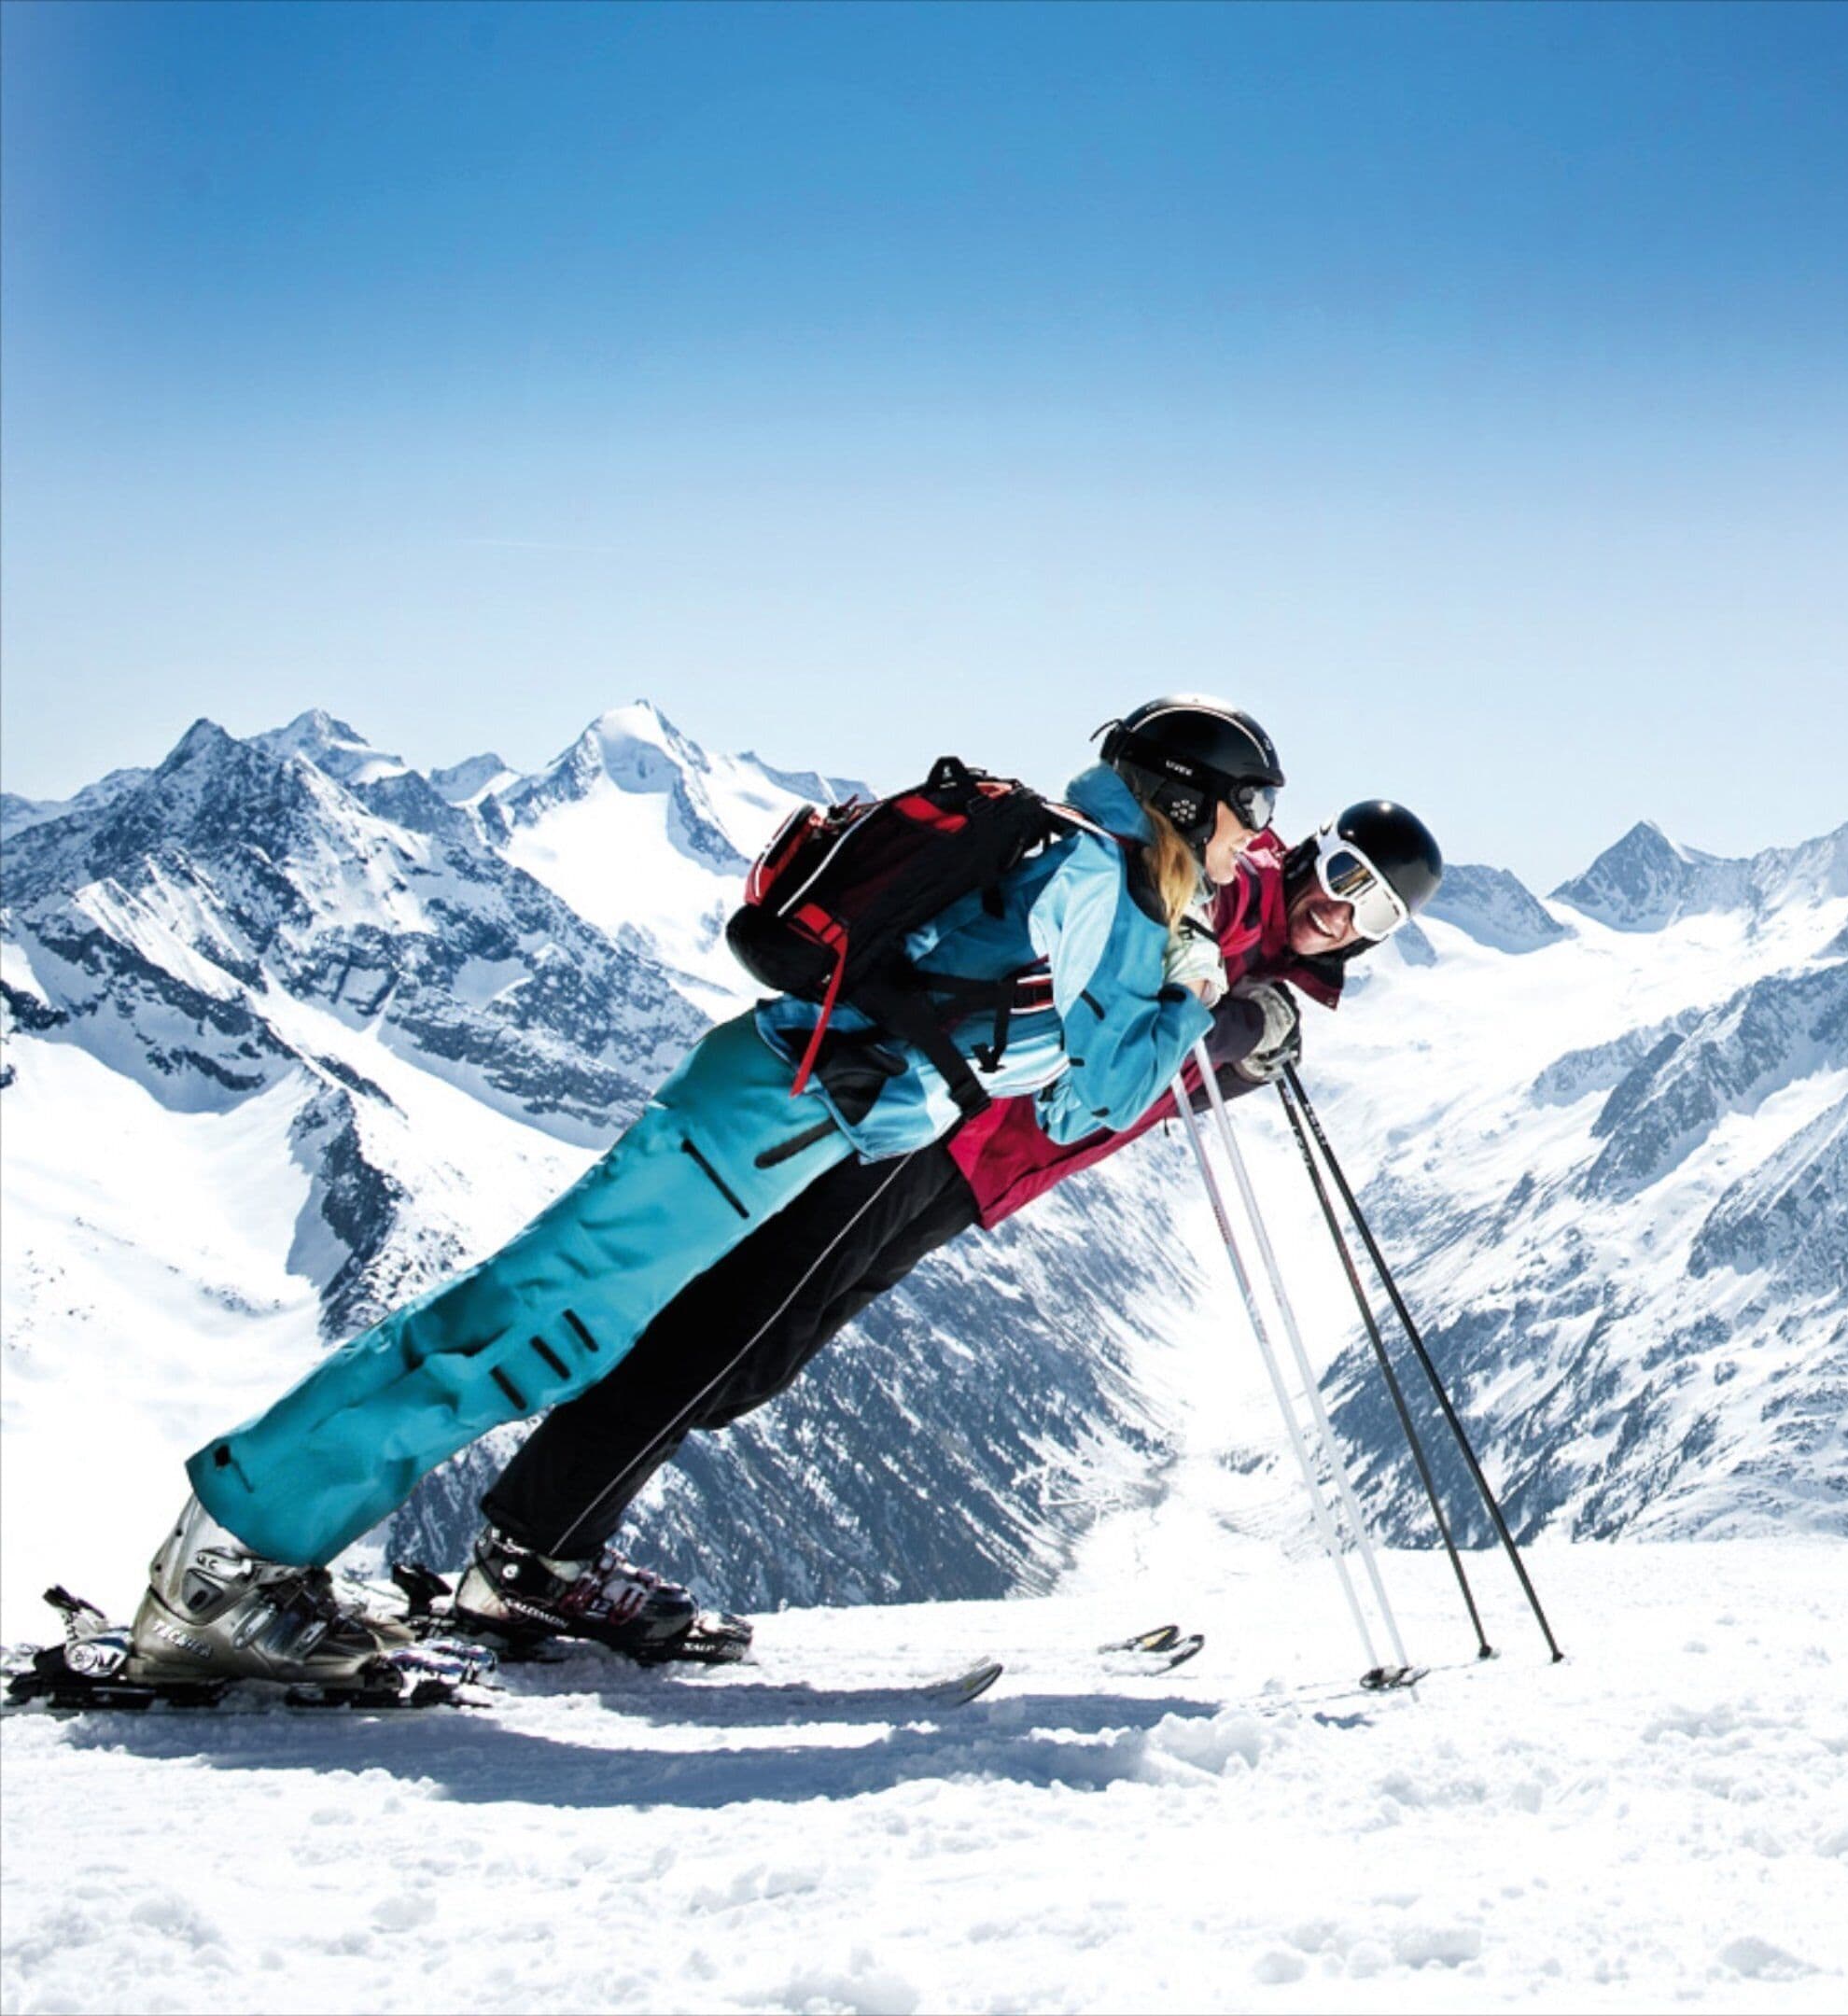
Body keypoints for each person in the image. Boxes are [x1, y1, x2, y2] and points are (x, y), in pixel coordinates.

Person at [122, 697, 1286, 1687]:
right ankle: (226, 1575)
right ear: (1188, 802)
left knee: (544, 1323)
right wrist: (1197, 1007)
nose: (1260, 835)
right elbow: (1085, 1100)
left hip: (785, 1101)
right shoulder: (1100, 884)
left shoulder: (1071, 855)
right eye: (1253, 807)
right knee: (533, 1324)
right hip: (779, 1115)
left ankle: (257, 1559)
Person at [447, 797, 1445, 1660]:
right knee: (733, 1333)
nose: (1340, 911)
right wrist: (1237, 1026)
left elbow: (1151, 1092)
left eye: (1375, 912)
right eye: (1344, 877)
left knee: (755, 1352)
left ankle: (544, 1545)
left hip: (976, 1171)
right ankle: (534, 1554)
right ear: (1311, 849)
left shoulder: (1269, 952)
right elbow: (1126, 1019)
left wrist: (1246, 1043)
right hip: (938, 1120)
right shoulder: (1219, 894)